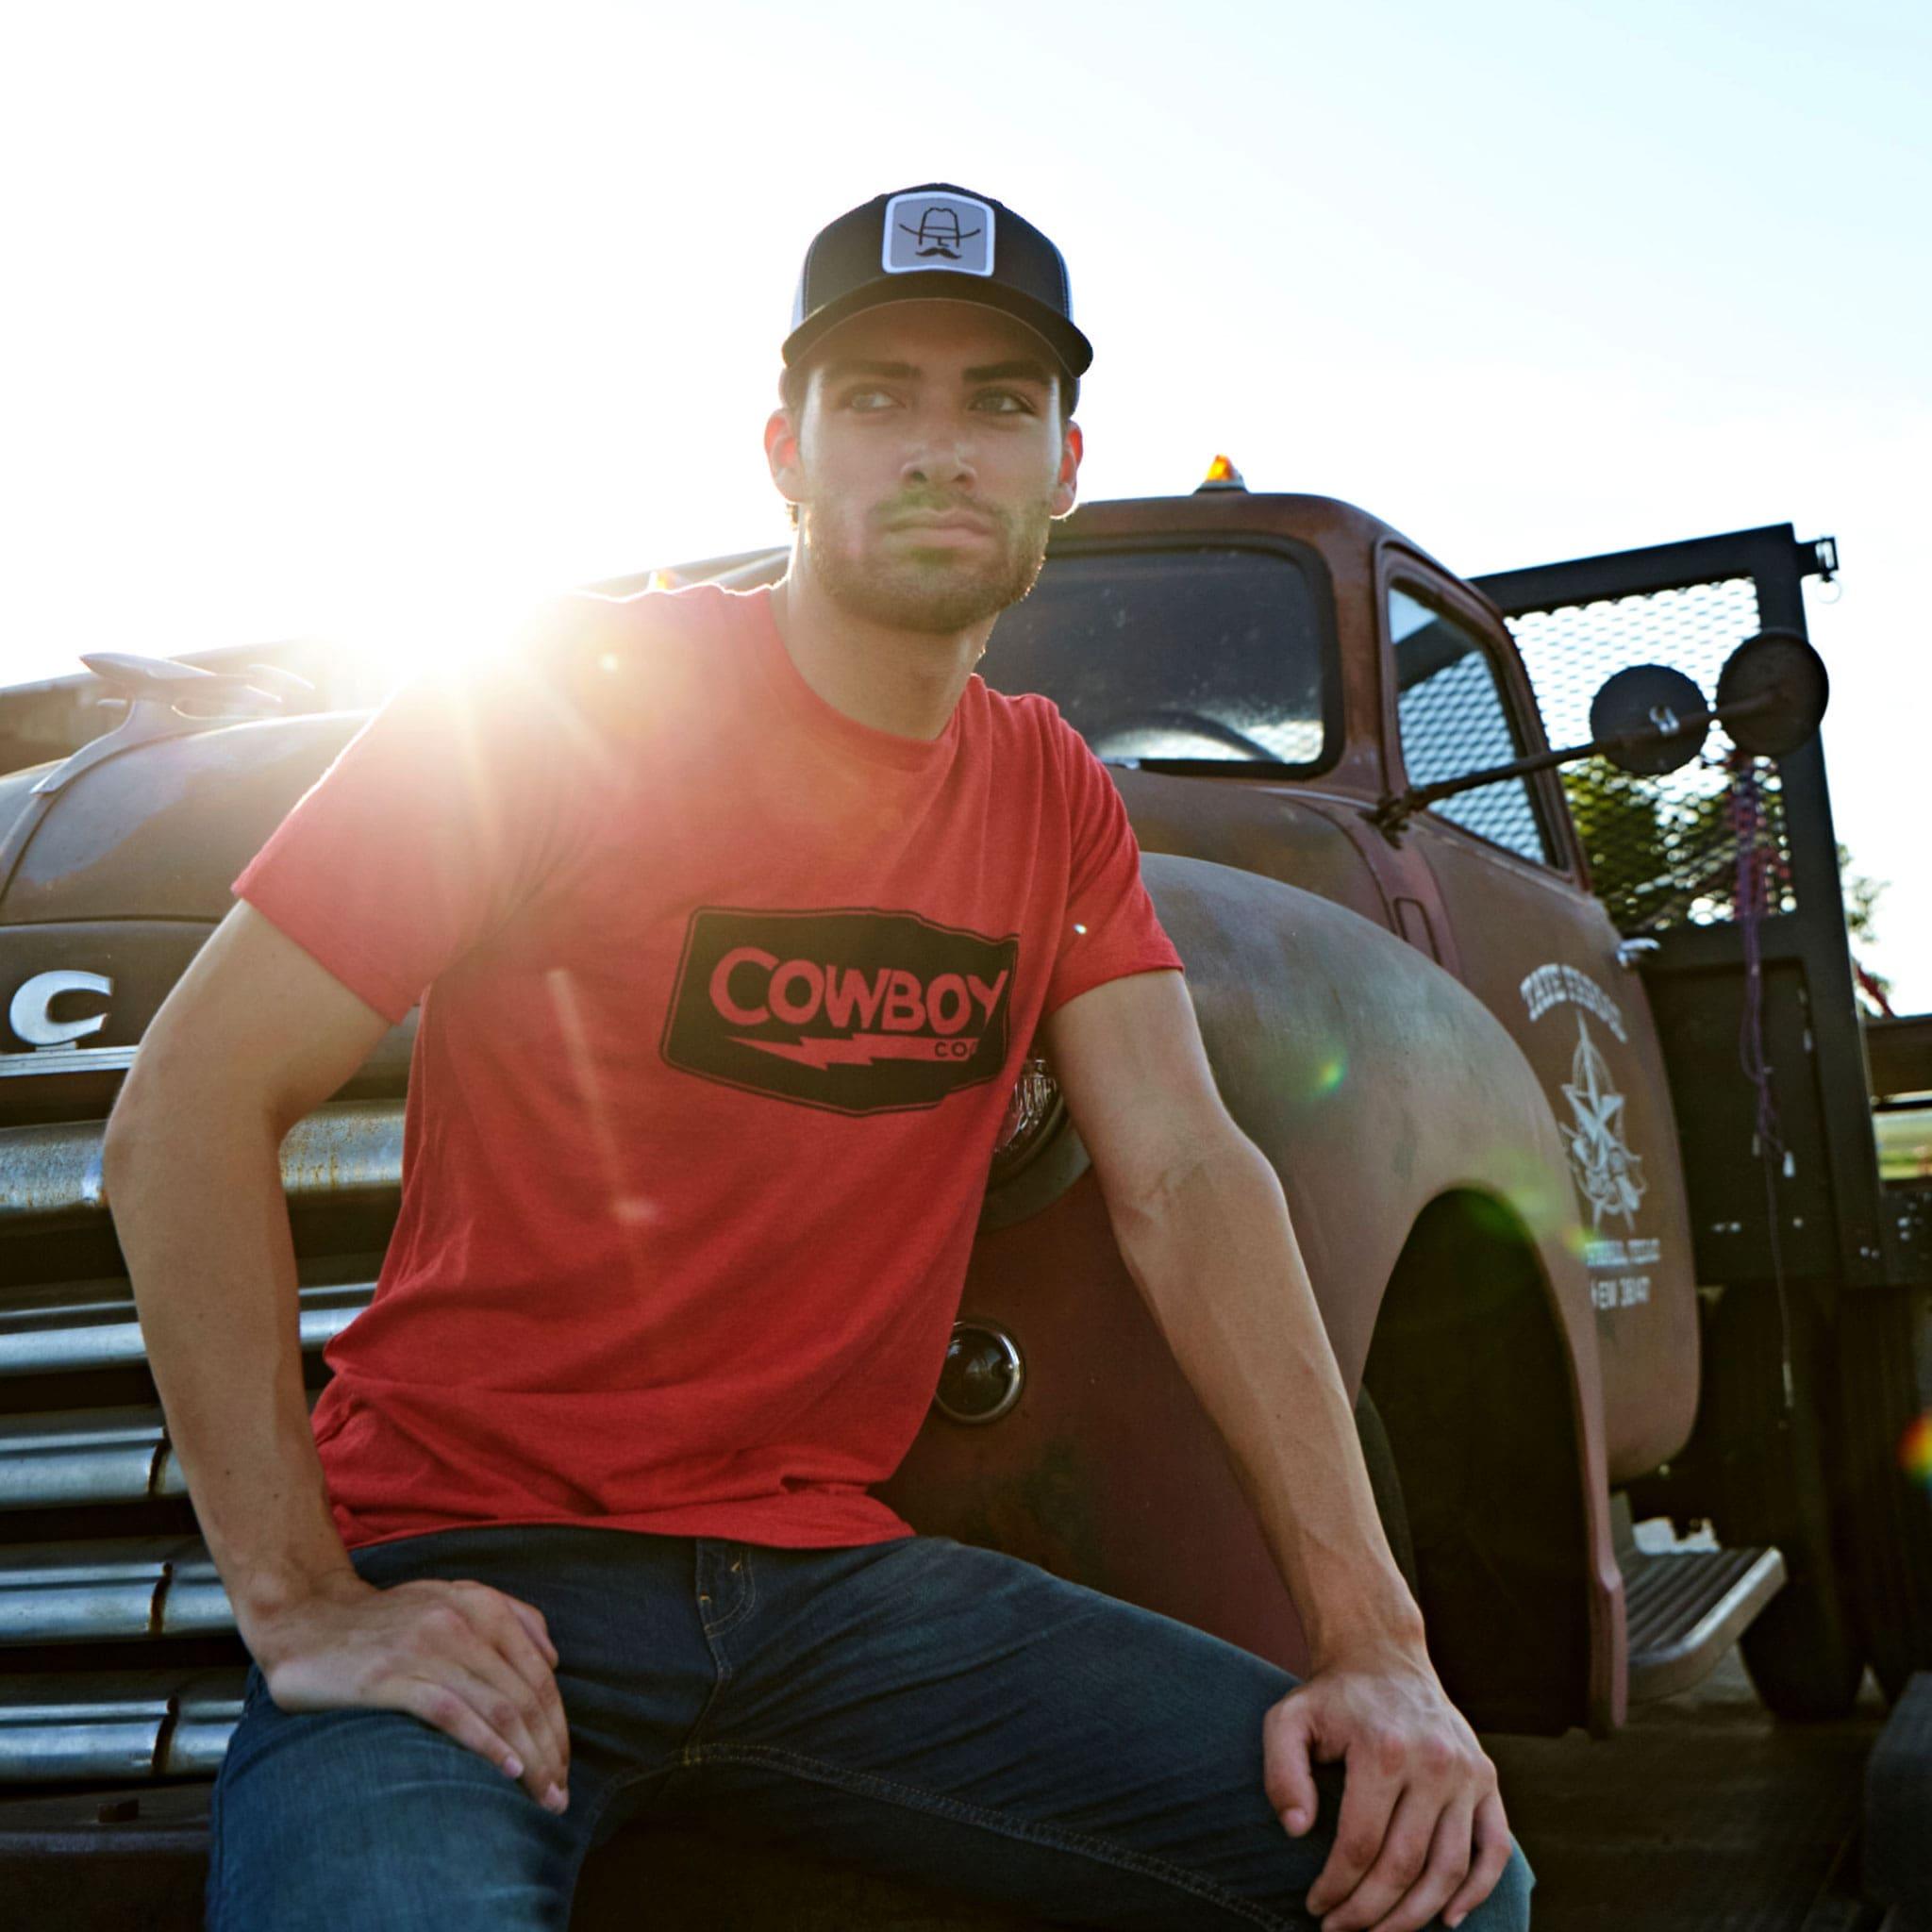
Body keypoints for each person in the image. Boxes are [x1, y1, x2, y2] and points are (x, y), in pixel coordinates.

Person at [105, 182, 1533, 1932]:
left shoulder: (1049, 792)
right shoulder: (555, 701)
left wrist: (1379, 1649)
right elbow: (183, 1104)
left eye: (997, 403)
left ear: (1064, 465)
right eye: (880, 398)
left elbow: (1184, 1174)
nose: (941, 449)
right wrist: (301, 1600)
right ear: (785, 448)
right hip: (467, 1569)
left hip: (839, 1597)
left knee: (1440, 1886)